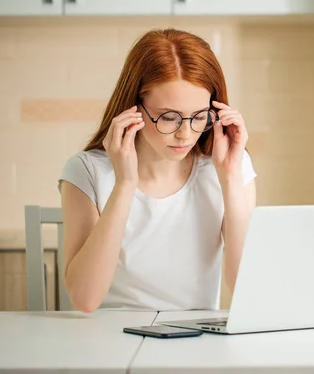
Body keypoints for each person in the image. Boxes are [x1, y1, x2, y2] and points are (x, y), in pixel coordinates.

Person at [58, 28, 257, 313]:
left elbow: (245, 290)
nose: (186, 135)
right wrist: (125, 184)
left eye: (199, 117)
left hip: (194, 337)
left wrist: (230, 179)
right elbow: (84, 300)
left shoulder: (231, 166)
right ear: (134, 108)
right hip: (112, 337)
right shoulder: (86, 170)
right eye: (169, 117)